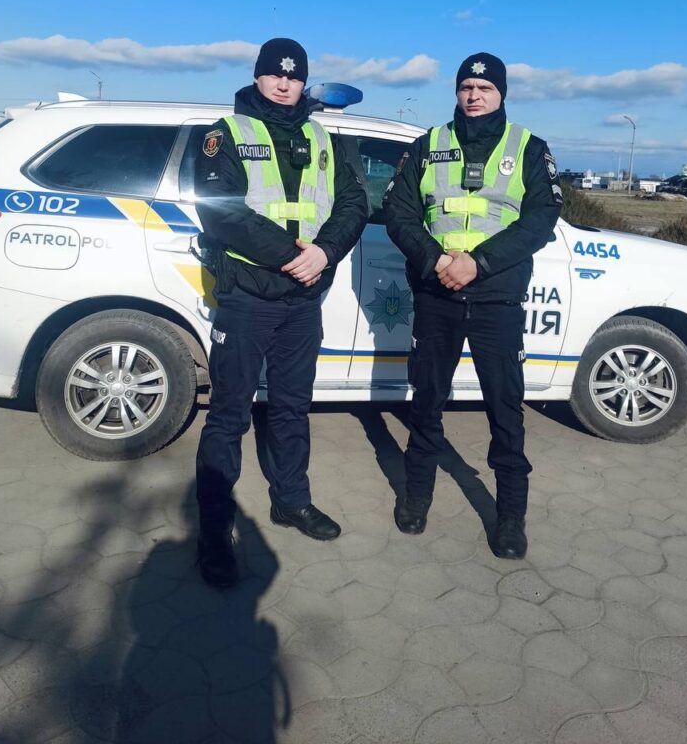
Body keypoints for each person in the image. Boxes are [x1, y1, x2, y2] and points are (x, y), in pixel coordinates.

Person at [194, 37, 368, 586]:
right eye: (275, 74)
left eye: (294, 76)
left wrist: (325, 252)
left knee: (292, 408)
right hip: (249, 295)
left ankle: (291, 501)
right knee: (229, 415)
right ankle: (214, 534)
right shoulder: (226, 133)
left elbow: (354, 203)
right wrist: (294, 256)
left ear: (303, 82)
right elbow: (219, 211)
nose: (284, 83)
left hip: (302, 298)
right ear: (258, 76)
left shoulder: (323, 138)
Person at [383, 52, 562, 559]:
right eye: (466, 87)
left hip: (495, 297)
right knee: (426, 401)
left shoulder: (528, 148)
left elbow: (540, 219)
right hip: (437, 292)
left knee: (505, 410)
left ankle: (510, 517)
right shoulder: (427, 145)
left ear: (500, 93)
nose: (474, 95)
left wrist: (477, 264)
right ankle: (417, 495)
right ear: (457, 91)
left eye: (484, 88)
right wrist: (438, 259)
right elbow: (398, 212)